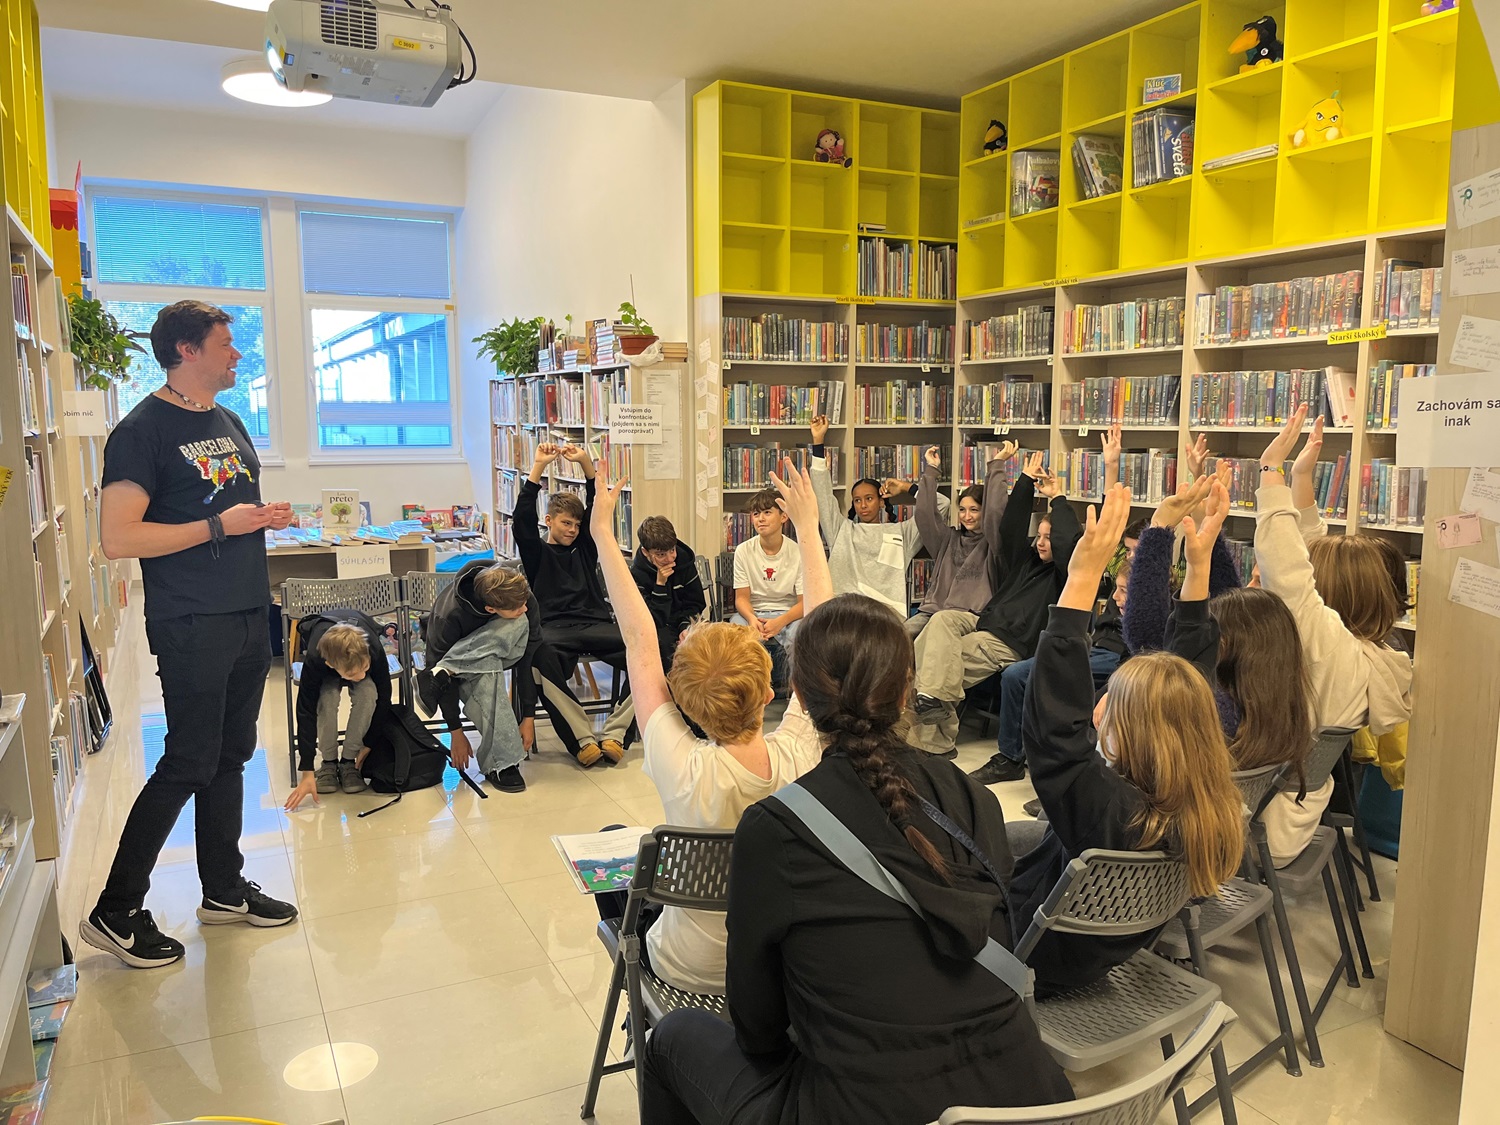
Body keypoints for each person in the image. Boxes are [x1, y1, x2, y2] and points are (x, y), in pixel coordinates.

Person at [638, 501, 1073, 1125]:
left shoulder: (776, 828)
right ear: (907, 689)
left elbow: (758, 1028)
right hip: (1026, 1097)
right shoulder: (975, 799)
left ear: (797, 695)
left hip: (862, 1106)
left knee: (671, 1039)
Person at [80, 301, 299, 969]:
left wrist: (259, 517)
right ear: (186, 349)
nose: (237, 354)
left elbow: (223, 506)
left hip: (245, 610)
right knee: (188, 760)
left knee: (232, 754)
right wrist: (218, 527)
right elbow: (118, 538)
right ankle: (116, 909)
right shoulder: (140, 432)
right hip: (191, 620)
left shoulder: (227, 420)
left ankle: (224, 889)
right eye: (226, 344)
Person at [587, 462, 825, 995]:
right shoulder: (802, 752)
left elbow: (640, 642)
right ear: (769, 694)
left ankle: (640, 1004)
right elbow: (820, 630)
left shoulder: (682, 764)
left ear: (688, 706)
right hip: (777, 979)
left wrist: (602, 531)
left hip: (687, 971)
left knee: (613, 847)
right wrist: (808, 530)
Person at [1008, 484, 1245, 996]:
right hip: (1100, 951)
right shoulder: (1203, 802)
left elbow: (1056, 736)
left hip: (1028, 955)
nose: (1098, 712)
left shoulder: (1111, 810)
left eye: (1111, 703)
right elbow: (1188, 678)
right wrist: (1198, 569)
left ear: (1135, 730)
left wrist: (1079, 580)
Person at [1253, 407, 1413, 860]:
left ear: (1327, 592)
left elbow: (1288, 567)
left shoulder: (1328, 644)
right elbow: (1310, 549)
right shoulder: (1370, 654)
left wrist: (1270, 470)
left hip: (1260, 827)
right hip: (1297, 814)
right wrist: (1302, 476)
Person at [916, 451, 1082, 764]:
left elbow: (1069, 542)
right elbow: (1011, 525)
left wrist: (1058, 498)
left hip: (1009, 641)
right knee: (942, 623)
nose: (1041, 543)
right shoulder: (1023, 561)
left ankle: (934, 742)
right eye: (1039, 536)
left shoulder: (1066, 575)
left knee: (935, 664)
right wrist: (1026, 481)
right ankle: (930, 716)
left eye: (1049, 538)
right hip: (982, 623)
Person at [515, 442, 635, 764]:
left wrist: (585, 464)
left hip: (595, 624)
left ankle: (615, 734)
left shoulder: (585, 548)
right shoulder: (536, 553)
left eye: (577, 525)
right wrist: (538, 468)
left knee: (651, 649)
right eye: (565, 523)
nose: (572, 530)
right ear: (549, 520)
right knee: (537, 658)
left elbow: (596, 507)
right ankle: (582, 739)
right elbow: (521, 521)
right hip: (554, 629)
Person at [418, 560, 570, 791]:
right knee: (487, 673)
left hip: (507, 651)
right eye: (517, 607)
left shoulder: (520, 596)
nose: (525, 608)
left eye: (524, 603)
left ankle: (447, 668)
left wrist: (528, 715)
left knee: (519, 622)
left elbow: (527, 658)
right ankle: (501, 763)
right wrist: (455, 731)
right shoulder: (448, 617)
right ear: (490, 609)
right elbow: (436, 673)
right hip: (463, 666)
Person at [807, 414, 947, 616]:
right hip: (844, 612)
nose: (863, 505)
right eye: (857, 500)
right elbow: (822, 495)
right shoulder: (841, 531)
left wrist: (905, 487)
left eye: (869, 499)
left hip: (885, 616)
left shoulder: (902, 533)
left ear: (881, 501)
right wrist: (818, 442)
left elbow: (941, 505)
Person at [285, 612, 393, 810]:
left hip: (357, 651)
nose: (361, 676)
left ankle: (349, 762)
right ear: (330, 665)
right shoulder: (317, 660)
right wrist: (307, 770)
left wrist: (369, 744)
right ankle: (328, 762)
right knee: (327, 697)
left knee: (368, 693)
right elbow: (305, 710)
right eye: (353, 674)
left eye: (365, 668)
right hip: (327, 661)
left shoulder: (373, 650)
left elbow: (385, 697)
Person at [732, 487, 804, 693]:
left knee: (801, 635)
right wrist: (752, 619)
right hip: (754, 613)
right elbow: (741, 598)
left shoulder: (798, 551)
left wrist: (780, 621)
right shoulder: (743, 551)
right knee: (736, 634)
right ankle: (750, 695)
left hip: (789, 614)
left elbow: (804, 602)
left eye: (767, 512)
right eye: (756, 514)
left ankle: (797, 695)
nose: (760, 519)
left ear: (783, 517)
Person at [629, 515, 708, 671]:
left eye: (672, 550)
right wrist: (660, 585)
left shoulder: (684, 562)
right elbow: (652, 620)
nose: (670, 558)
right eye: (661, 555)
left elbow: (696, 603)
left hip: (683, 620)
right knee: (663, 646)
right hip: (657, 627)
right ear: (646, 552)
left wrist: (685, 627)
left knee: (705, 640)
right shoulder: (637, 574)